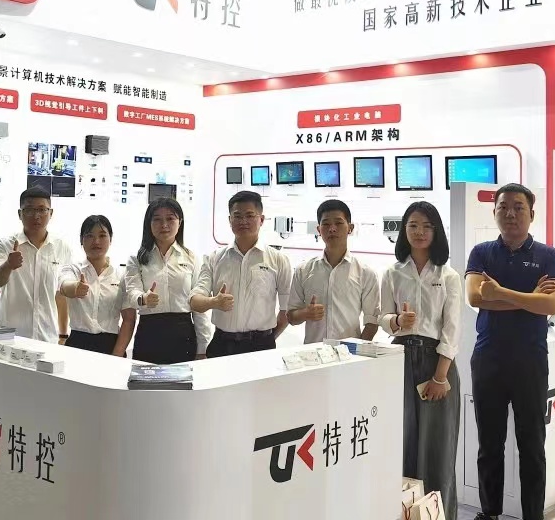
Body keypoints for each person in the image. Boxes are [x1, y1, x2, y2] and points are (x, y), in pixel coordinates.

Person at [465, 184, 555, 520]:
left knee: (532, 446)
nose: (510, 214)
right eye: (503, 207)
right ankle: (489, 513)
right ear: (494, 212)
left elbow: (550, 305)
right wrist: (528, 298)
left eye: (518, 207)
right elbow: (475, 298)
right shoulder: (481, 253)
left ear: (531, 214)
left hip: (530, 361)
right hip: (488, 359)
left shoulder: (548, 256)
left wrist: (501, 294)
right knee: (489, 445)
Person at [380, 201, 462, 514]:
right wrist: (397, 321)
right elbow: (382, 316)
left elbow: (452, 330)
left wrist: (440, 376)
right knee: (401, 442)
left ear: (437, 231)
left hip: (436, 363)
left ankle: (439, 515)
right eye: (413, 225)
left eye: (427, 226)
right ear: (404, 230)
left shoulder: (448, 275)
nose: (419, 232)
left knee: (437, 448)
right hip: (399, 359)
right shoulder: (393, 272)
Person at [190, 191, 291, 357]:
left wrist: (268, 338)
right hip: (222, 344)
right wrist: (214, 302)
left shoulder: (278, 260)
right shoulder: (214, 258)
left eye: (250, 215)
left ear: (261, 219)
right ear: (230, 220)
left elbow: (287, 309)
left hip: (261, 345)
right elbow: (194, 301)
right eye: (237, 216)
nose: (243, 221)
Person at [123, 198, 212, 363]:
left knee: (183, 380)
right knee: (146, 379)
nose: (164, 225)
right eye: (157, 219)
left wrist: (203, 348)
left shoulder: (191, 258)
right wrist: (143, 299)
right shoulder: (136, 259)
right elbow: (132, 292)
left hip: (183, 334)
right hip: (149, 333)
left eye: (170, 218)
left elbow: (198, 307)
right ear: (149, 224)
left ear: (180, 222)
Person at [288, 200, 380, 343]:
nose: (332, 229)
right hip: (313, 352)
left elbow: (372, 322)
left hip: (348, 353)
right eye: (326, 224)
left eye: (338, 223)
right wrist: (306, 313)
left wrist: (356, 351)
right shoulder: (303, 270)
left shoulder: (366, 273)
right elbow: (291, 317)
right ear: (318, 230)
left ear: (350, 228)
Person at [0, 186, 73, 343]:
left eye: (42, 210)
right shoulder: (3, 245)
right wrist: (8, 265)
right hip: (10, 337)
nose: (36, 216)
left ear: (51, 213)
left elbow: (61, 295)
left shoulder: (61, 247)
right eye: (29, 210)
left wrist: (63, 334)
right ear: (20, 214)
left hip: (47, 337)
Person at [58, 215, 134, 356]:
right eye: (89, 236)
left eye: (102, 235)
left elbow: (129, 319)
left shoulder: (121, 275)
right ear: (81, 240)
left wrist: (117, 355)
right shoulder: (73, 269)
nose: (96, 241)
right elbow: (64, 286)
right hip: (78, 343)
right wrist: (75, 288)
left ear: (110, 239)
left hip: (111, 344)